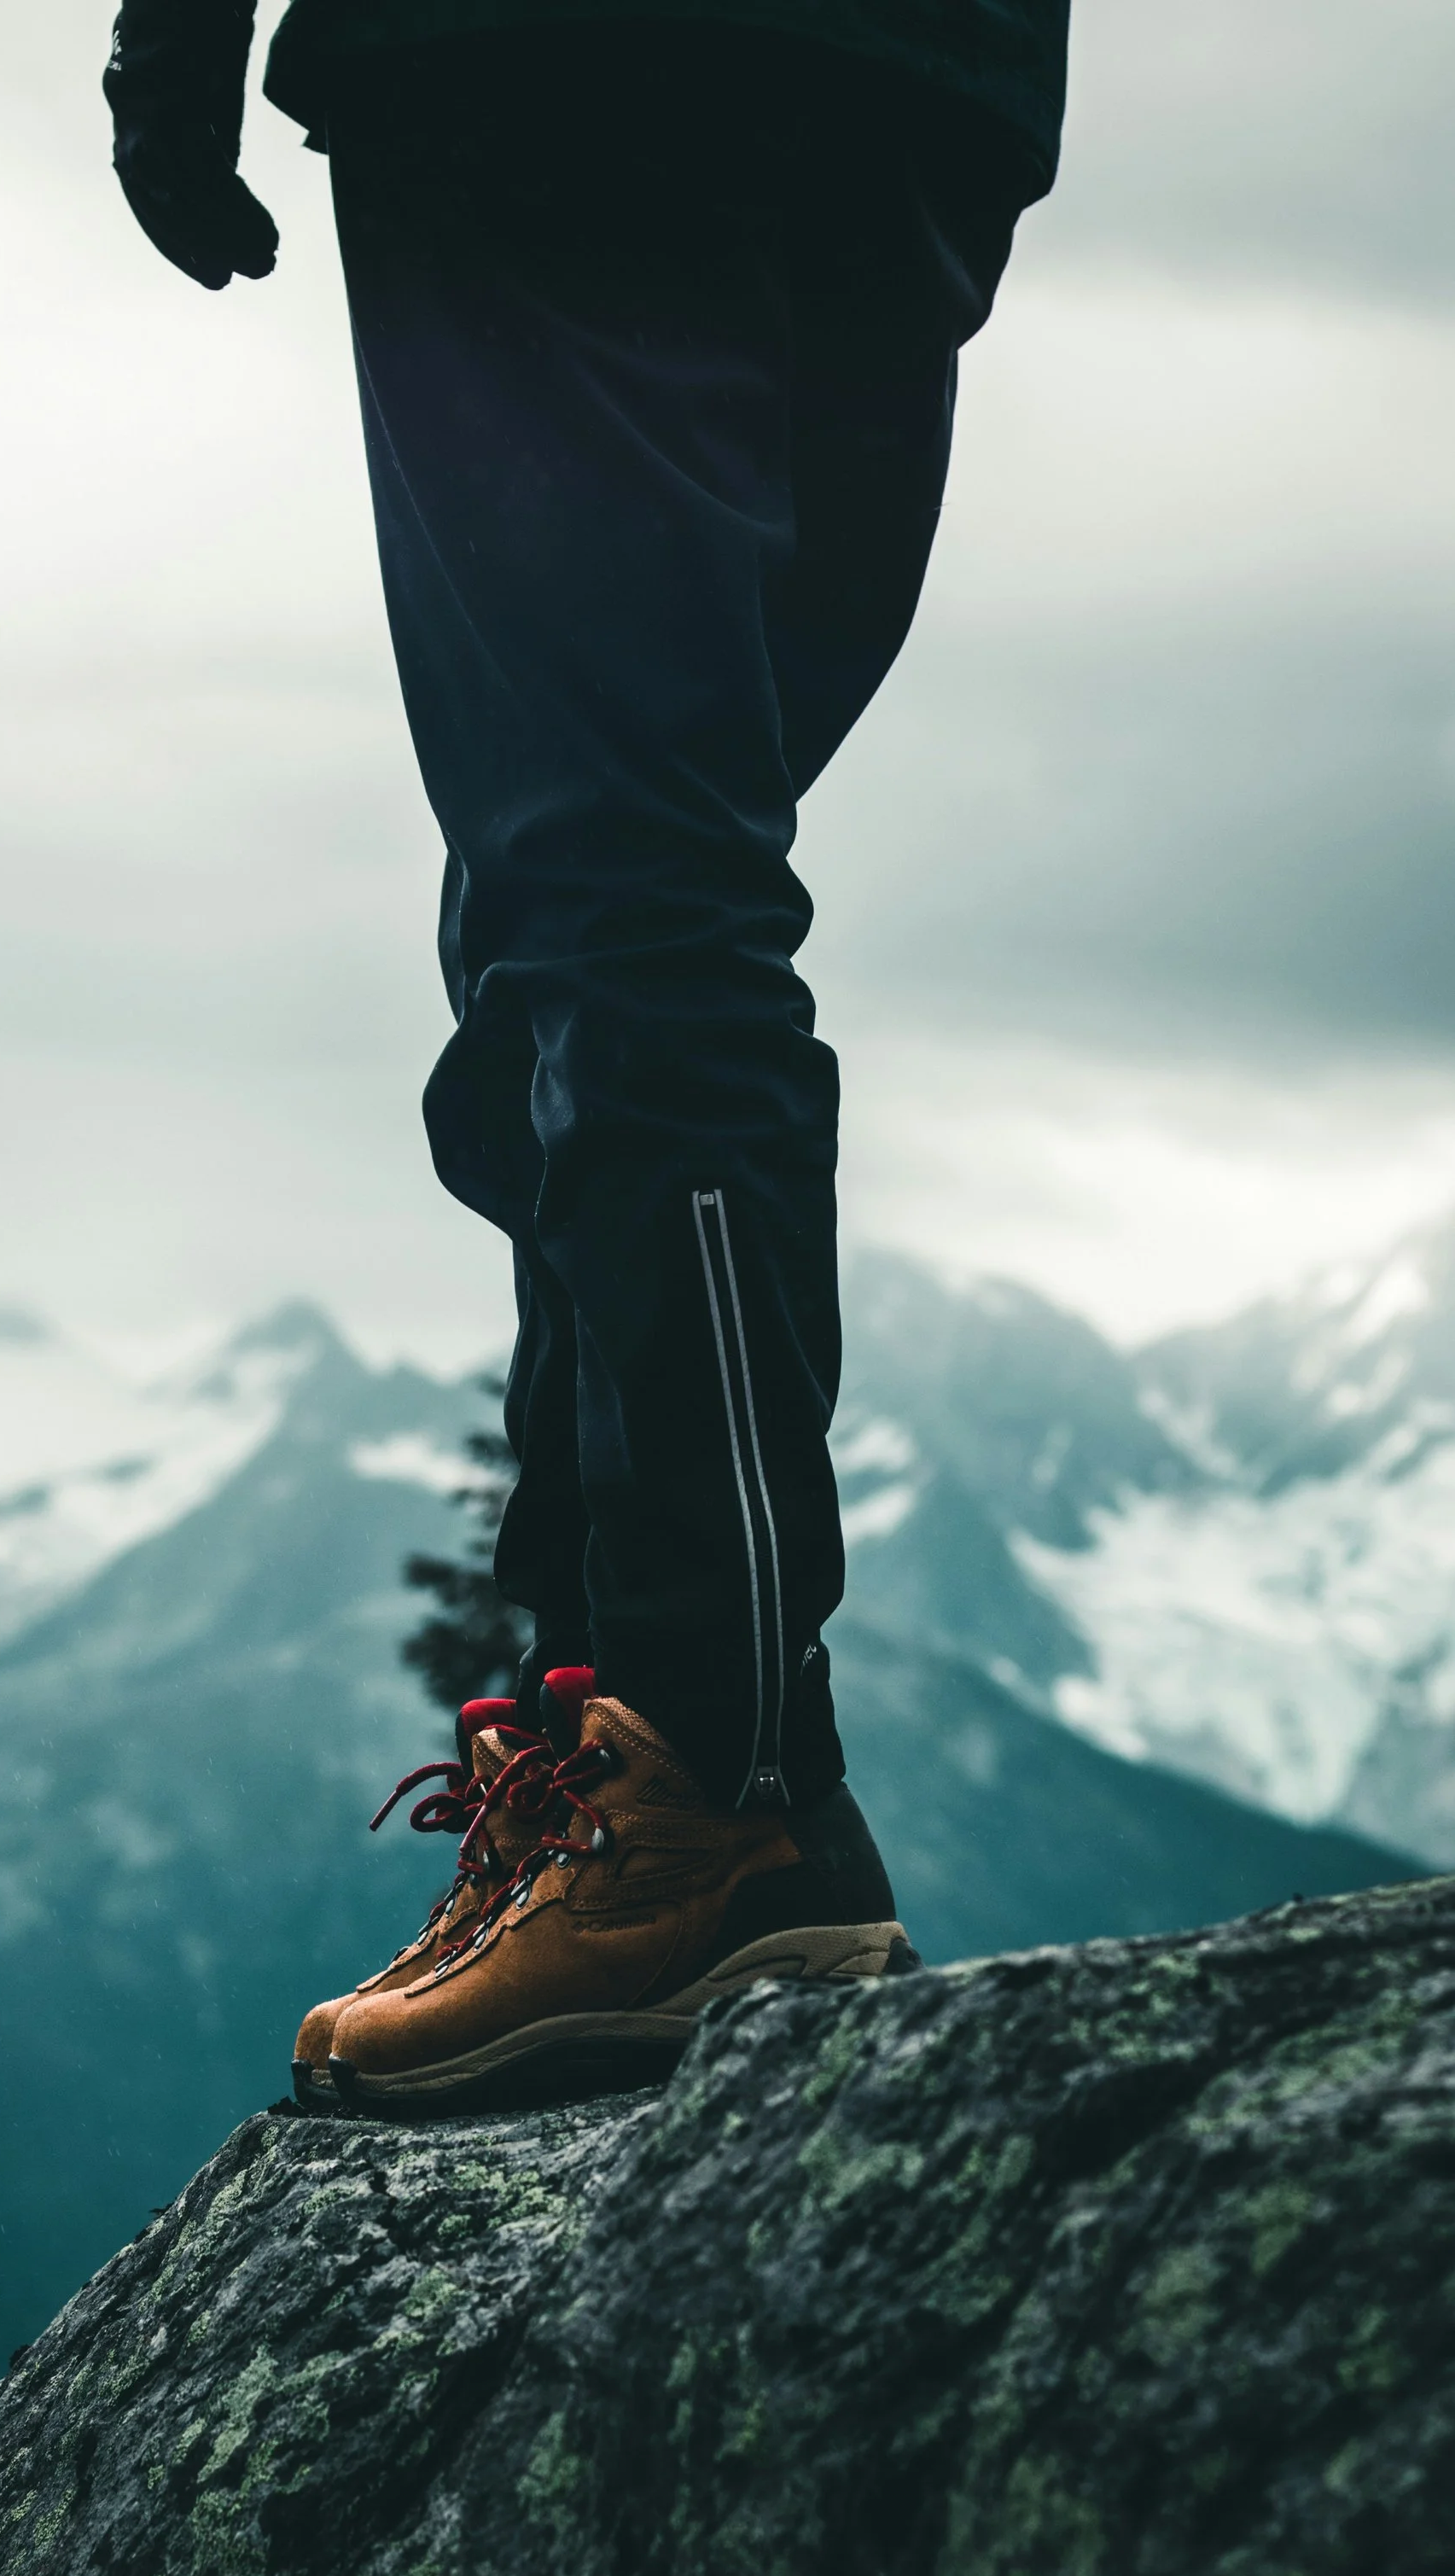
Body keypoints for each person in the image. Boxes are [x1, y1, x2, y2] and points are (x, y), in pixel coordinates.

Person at [104, 0, 1068, 2113]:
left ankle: (707, 1789)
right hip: (916, 80)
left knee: (609, 888)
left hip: (541, 55)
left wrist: (169, 46)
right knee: (621, 885)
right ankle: (636, 1752)